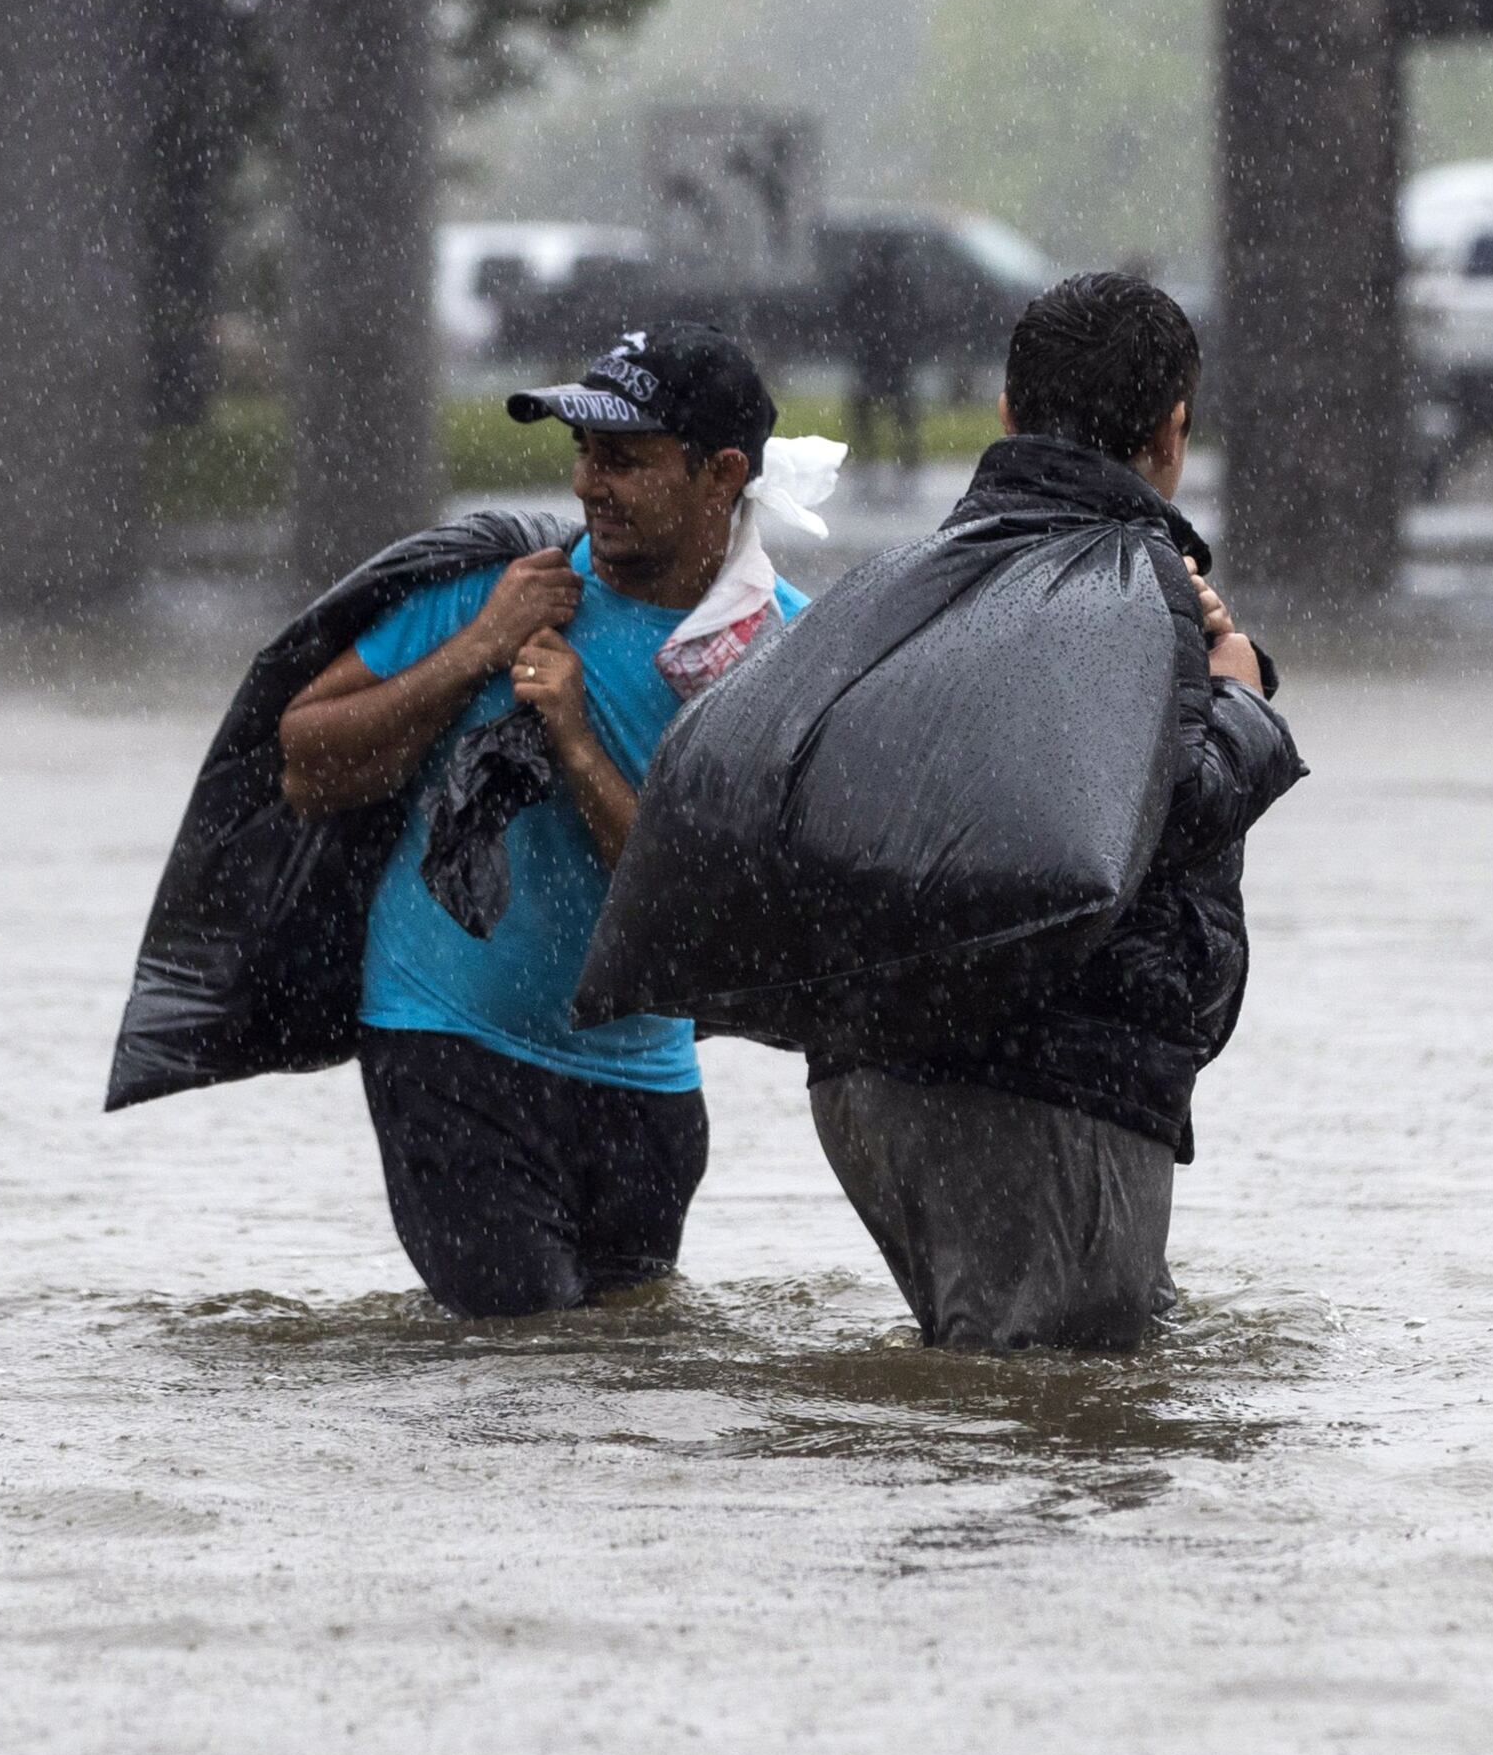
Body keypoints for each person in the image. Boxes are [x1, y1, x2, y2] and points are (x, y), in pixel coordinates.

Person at [805, 271, 1306, 1352]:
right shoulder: (1130, 590)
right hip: (1047, 1083)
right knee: (1051, 1433)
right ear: (1174, 432)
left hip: (866, 1080)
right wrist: (1242, 693)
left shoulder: (911, 578)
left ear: (1004, 413)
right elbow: (1155, 819)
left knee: (983, 1399)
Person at [274, 323, 811, 1317]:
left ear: (721, 473)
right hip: (448, 1045)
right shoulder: (500, 589)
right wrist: (478, 646)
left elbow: (696, 922)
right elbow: (307, 763)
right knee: (529, 1360)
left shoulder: (779, 651)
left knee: (617, 1394)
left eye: (624, 458)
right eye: (582, 452)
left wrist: (572, 737)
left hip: (647, 1086)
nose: (586, 483)